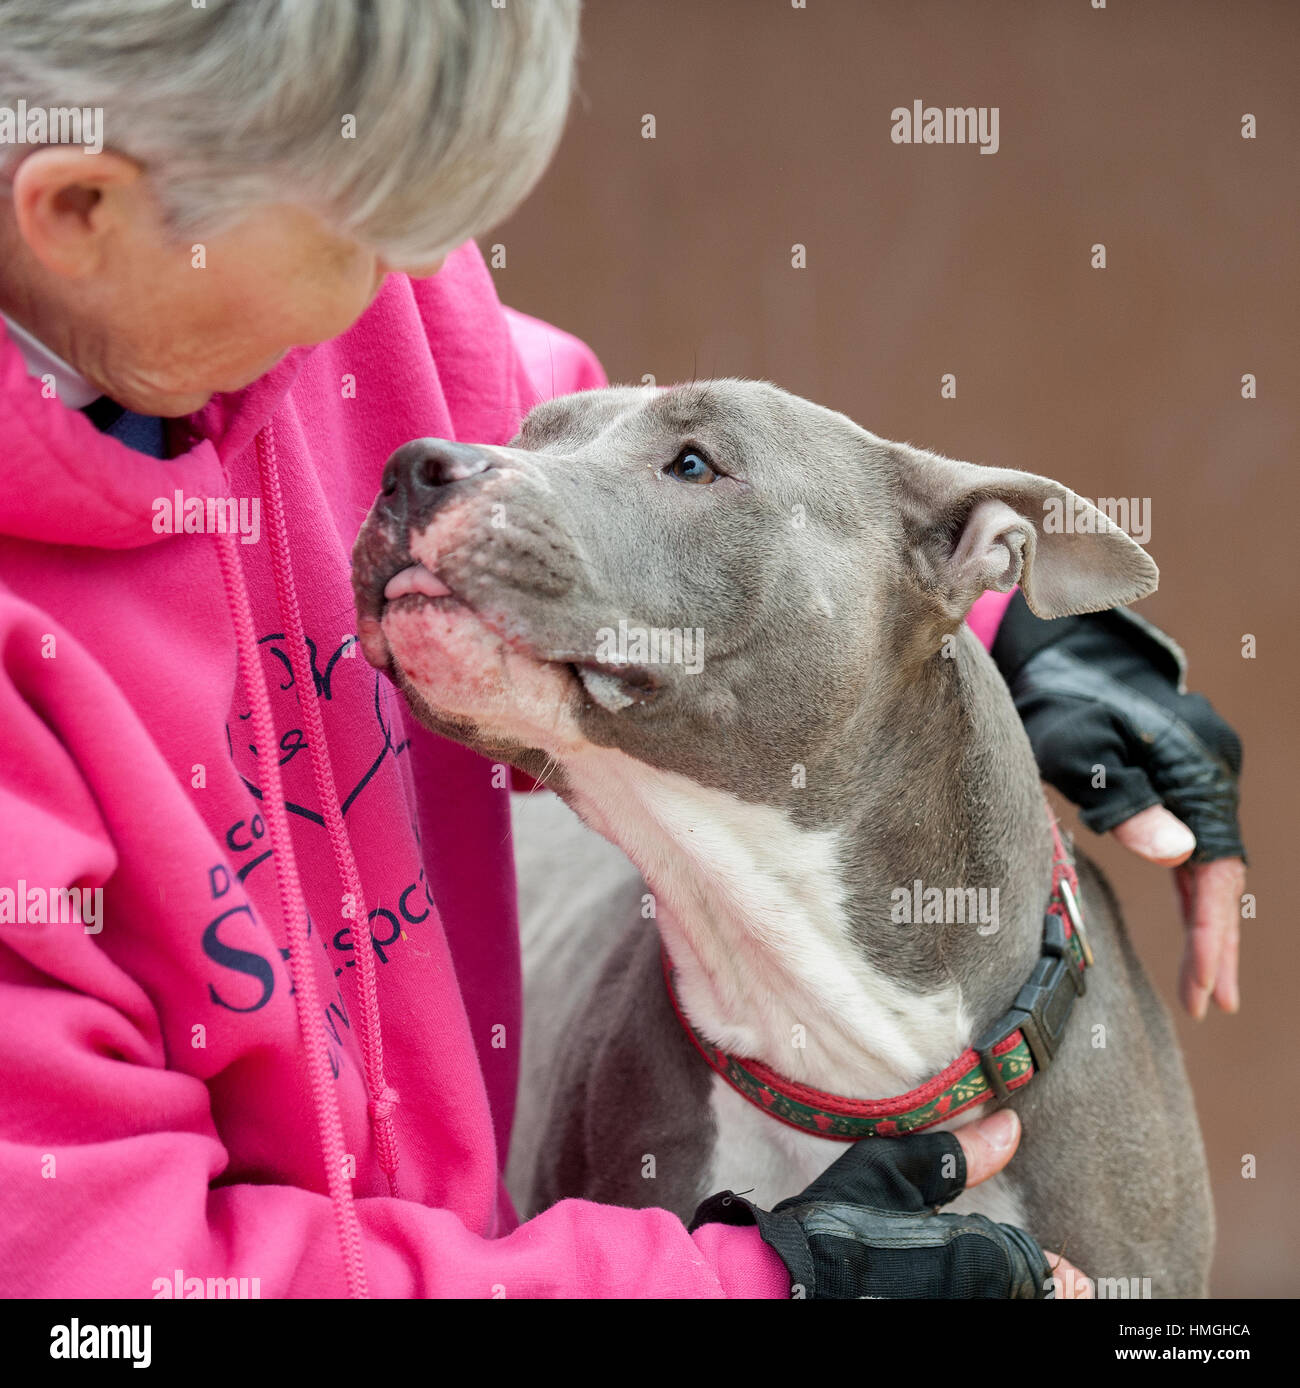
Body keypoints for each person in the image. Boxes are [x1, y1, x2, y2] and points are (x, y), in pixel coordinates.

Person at [0, 0, 1244, 1299]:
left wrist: (991, 620)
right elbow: (118, 1290)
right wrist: (749, 1290)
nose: (407, 296)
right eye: (374, 242)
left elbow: (556, 437)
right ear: (81, 209)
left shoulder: (304, 303)